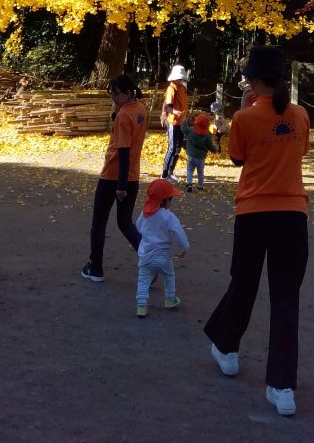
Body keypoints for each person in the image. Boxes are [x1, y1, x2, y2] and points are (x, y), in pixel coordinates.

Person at [204, 45, 310, 418]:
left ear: (253, 80)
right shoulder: (300, 116)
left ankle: (227, 346)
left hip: (253, 212)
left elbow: (237, 157)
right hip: (293, 214)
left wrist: (249, 111)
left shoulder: (244, 118)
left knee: (243, 283)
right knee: (285, 298)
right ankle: (283, 388)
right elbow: (301, 152)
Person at [82, 74, 147, 282]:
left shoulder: (123, 116)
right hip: (132, 175)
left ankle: (96, 267)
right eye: (111, 93)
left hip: (113, 176)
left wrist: (120, 185)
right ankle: (151, 262)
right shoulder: (140, 110)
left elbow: (123, 152)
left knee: (99, 222)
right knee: (124, 222)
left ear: (128, 93)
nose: (113, 98)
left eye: (116, 94)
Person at [135, 178, 189, 318]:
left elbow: (138, 227)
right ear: (164, 201)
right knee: (169, 276)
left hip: (145, 255)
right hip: (163, 255)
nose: (171, 202)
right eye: (170, 199)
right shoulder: (168, 216)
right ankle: (170, 299)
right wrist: (184, 248)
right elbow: (178, 233)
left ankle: (141, 307)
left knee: (143, 281)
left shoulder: (144, 214)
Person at [161, 64, 189, 182]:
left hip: (181, 122)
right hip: (173, 122)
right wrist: (174, 112)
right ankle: (164, 174)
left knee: (178, 148)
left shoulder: (182, 88)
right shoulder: (171, 88)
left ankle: (171, 172)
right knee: (171, 148)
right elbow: (168, 107)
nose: (181, 79)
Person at [182, 112, 220, 192]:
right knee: (200, 172)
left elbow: (183, 129)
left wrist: (184, 121)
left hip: (191, 156)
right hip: (201, 158)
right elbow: (210, 146)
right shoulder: (207, 136)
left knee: (189, 170)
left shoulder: (191, 130)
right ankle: (200, 186)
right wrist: (215, 149)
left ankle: (189, 183)